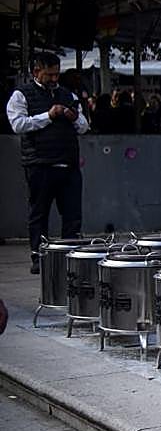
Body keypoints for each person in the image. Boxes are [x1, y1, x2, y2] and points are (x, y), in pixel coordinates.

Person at [7, 52, 90, 274]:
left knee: (72, 214)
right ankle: (39, 256)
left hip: (68, 164)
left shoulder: (68, 95)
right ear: (36, 72)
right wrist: (49, 116)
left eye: (57, 74)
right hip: (40, 163)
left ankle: (69, 256)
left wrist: (74, 117)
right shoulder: (21, 95)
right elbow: (18, 124)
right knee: (39, 213)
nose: (54, 79)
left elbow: (84, 126)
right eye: (49, 74)